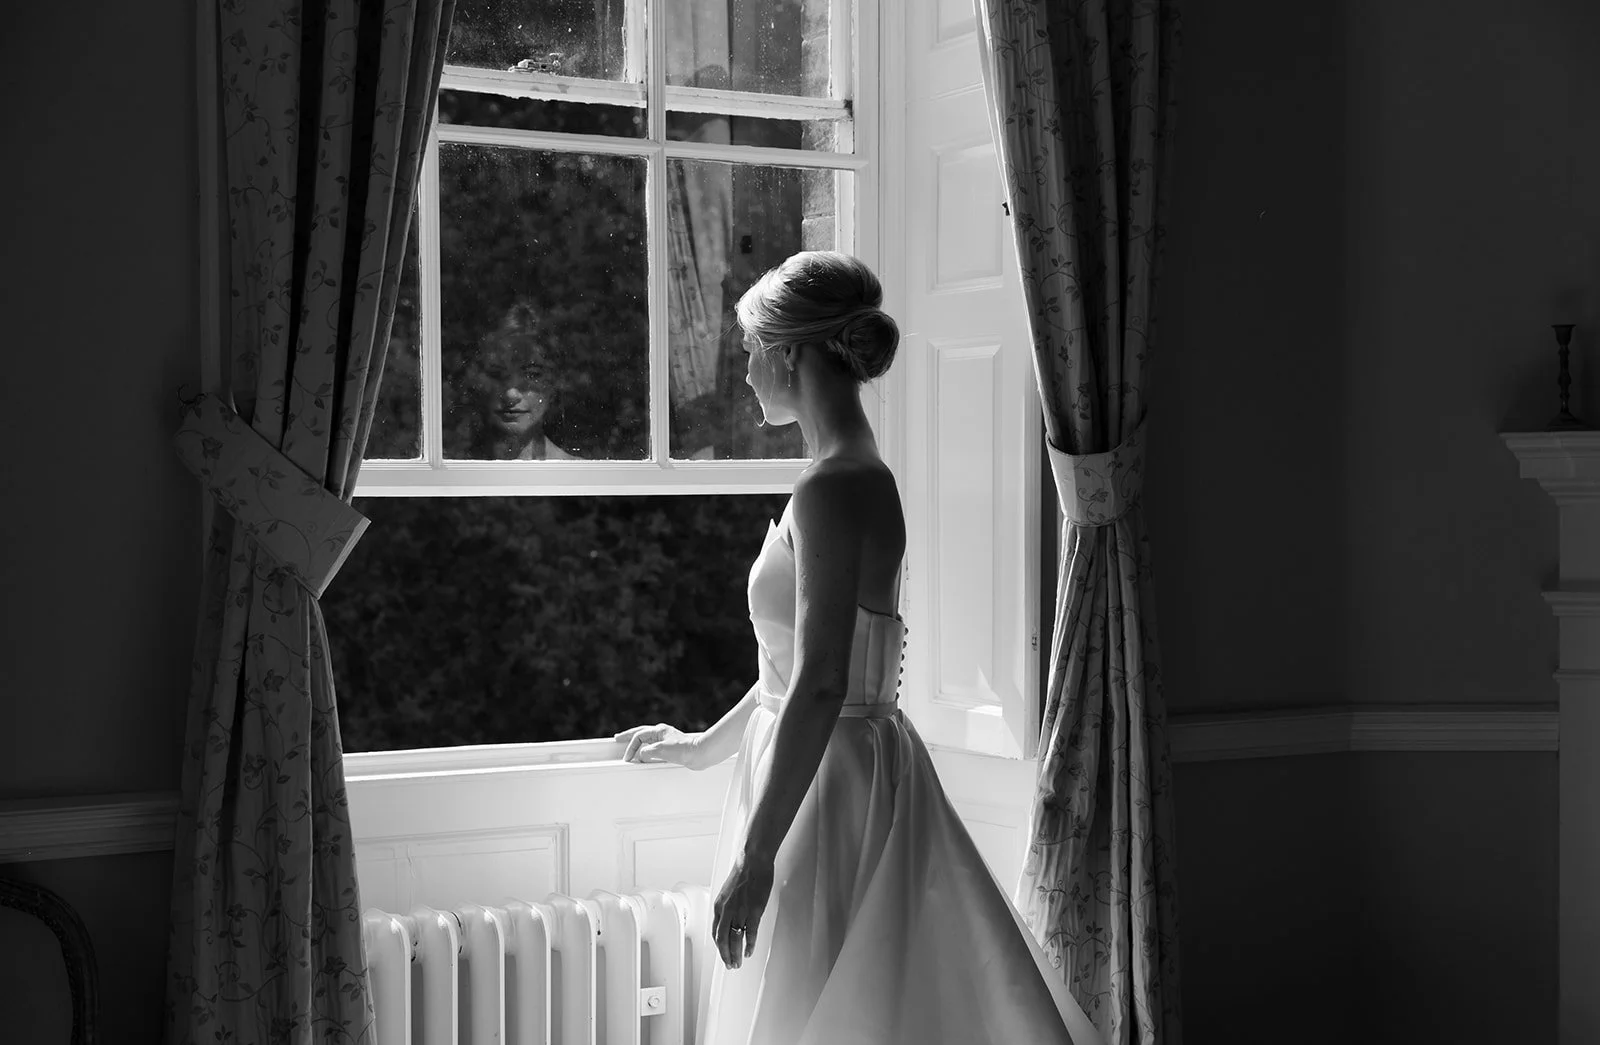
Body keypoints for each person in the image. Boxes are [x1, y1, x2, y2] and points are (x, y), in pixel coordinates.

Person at [614, 251, 1102, 1045]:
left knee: (819, 1005)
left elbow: (822, 680)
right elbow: (795, 668)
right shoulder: (843, 476)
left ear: (791, 353)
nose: (745, 371)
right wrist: (702, 745)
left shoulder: (833, 486)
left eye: (751, 349)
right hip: (826, 763)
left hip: (828, 783)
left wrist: (757, 856)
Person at [479, 303, 577, 461]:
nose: (511, 394)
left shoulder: (583, 473)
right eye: (497, 374)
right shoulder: (449, 468)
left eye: (532, 375)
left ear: (553, 384)